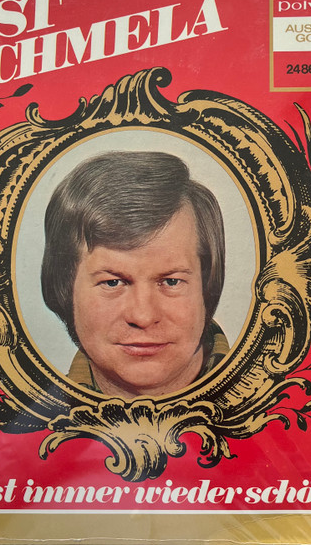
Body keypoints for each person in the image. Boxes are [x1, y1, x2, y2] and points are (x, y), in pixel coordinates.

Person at [41, 150, 228, 398]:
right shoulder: (30, 420)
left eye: (171, 281)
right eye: (112, 282)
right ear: (64, 291)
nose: (143, 316)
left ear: (207, 288)